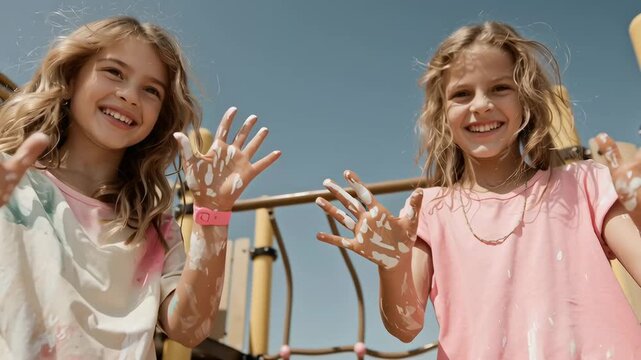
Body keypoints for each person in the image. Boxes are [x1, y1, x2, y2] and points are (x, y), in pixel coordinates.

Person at [315, 21, 641, 358]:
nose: (481, 104)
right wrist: (392, 265)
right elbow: (405, 327)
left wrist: (639, 211)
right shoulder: (430, 210)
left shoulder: (585, 183)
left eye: (500, 88)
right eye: (462, 94)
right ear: (442, 114)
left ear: (526, 99)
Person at [0, 16, 280, 359]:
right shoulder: (12, 179)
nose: (130, 95)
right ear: (71, 77)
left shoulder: (152, 224)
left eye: (151, 90)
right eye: (114, 72)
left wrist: (214, 214)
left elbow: (189, 329)